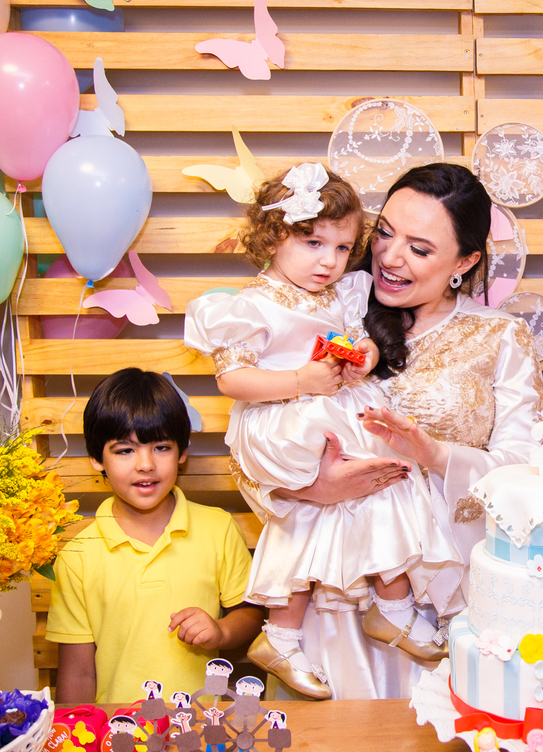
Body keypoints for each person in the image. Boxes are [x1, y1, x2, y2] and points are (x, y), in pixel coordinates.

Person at [241, 162, 543, 699]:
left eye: (420, 249)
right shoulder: (329, 312)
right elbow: (254, 440)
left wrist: (437, 456)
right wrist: (312, 488)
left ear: (465, 261)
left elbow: (527, 476)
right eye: (384, 232)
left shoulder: (500, 337)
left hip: (444, 598)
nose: (389, 256)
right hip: (329, 601)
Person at [184, 163, 465, 700]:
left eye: (341, 248)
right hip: (284, 416)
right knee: (324, 502)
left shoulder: (342, 292)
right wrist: (301, 381)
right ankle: (369, 613)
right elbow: (232, 379)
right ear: (274, 235)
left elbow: (360, 339)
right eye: (313, 243)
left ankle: (303, 629)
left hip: (330, 405)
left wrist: (365, 356)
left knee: (382, 484)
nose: (329, 261)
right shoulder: (250, 304)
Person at [45, 368, 263, 703]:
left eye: (161, 447)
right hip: (117, 727)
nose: (145, 464)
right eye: (125, 450)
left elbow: (250, 614)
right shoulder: (77, 556)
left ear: (182, 452)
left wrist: (221, 630)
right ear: (96, 458)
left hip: (197, 724)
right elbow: (78, 672)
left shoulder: (217, 529)